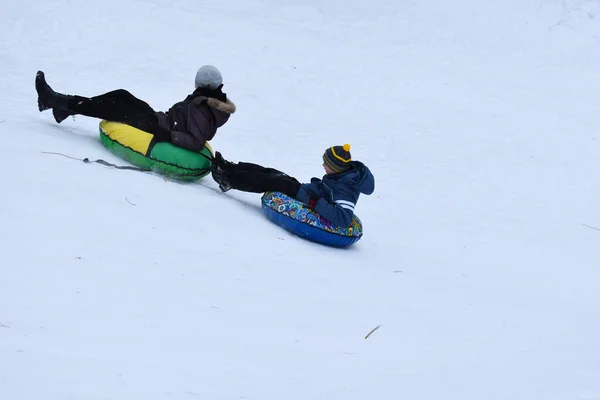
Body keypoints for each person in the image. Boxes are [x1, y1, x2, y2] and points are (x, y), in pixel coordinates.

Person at [34, 65, 236, 152]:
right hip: (158, 119)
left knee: (112, 107)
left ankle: (54, 101)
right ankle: (65, 108)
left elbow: (196, 142)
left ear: (206, 85)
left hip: (156, 128)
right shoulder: (207, 99)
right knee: (121, 94)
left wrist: (167, 136)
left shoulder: (203, 108)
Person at [211, 144, 375, 227]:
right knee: (272, 173)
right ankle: (230, 167)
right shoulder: (344, 175)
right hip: (307, 191)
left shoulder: (346, 188)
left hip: (308, 199)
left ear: (335, 167)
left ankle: (228, 179)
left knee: (271, 181)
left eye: (326, 164)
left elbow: (344, 218)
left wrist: (315, 203)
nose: (323, 165)